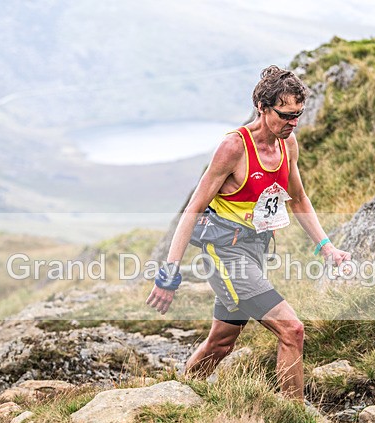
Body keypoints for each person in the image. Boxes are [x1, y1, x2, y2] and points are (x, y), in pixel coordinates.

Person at [145, 65, 350, 402]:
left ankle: (178, 395)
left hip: (255, 252)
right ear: (262, 108)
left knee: (222, 340)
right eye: (285, 115)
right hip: (226, 252)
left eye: (298, 115)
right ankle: (294, 416)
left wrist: (326, 247)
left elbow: (298, 198)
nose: (293, 123)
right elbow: (193, 208)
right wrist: (169, 273)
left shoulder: (288, 144)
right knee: (292, 329)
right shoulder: (234, 148)